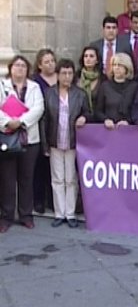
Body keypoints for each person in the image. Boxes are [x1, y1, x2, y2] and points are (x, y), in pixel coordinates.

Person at [44, 59, 91, 228]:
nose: (67, 77)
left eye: (70, 73)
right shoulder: (49, 93)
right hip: (54, 140)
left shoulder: (80, 94)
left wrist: (83, 117)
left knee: (71, 178)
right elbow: (44, 119)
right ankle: (59, 213)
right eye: (64, 73)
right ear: (57, 75)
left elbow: (88, 113)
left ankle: (70, 214)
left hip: (72, 141)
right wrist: (45, 144)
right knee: (57, 178)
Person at [0, 55, 44, 232]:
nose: (20, 68)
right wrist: (8, 122)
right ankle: (6, 216)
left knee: (27, 178)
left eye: (23, 66)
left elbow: (38, 108)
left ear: (28, 69)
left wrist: (21, 121)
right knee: (7, 180)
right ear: (11, 68)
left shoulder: (34, 87)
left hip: (29, 139)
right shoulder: (2, 85)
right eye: (17, 65)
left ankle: (26, 215)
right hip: (7, 139)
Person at [32, 48, 57, 214]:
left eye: (52, 61)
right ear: (40, 65)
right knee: (40, 165)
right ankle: (39, 200)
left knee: (55, 167)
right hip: (41, 125)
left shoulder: (61, 77)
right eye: (46, 62)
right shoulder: (35, 81)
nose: (50, 64)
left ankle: (53, 200)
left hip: (57, 126)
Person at [95, 53, 138, 128]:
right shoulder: (105, 86)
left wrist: (128, 121)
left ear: (127, 67)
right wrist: (106, 120)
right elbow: (98, 111)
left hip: (129, 129)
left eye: (120, 65)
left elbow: (137, 110)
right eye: (114, 65)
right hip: (109, 129)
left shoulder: (134, 87)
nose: (116, 68)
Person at [76, 45, 105, 119]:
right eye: (85, 56)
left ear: (97, 60)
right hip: (78, 119)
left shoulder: (103, 79)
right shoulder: (76, 77)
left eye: (91, 56)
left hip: (97, 119)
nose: (88, 59)